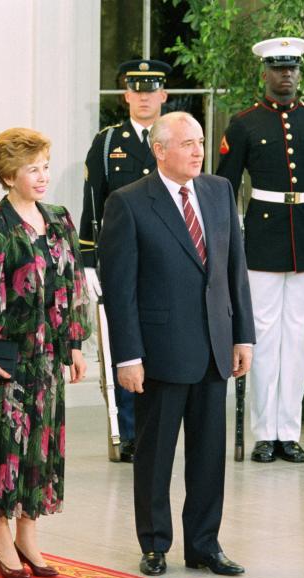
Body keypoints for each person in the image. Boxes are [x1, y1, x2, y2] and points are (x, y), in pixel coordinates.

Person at [99, 111, 255, 577]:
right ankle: (154, 544)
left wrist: (242, 334)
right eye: (187, 143)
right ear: (160, 150)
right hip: (160, 354)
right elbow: (119, 288)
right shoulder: (127, 203)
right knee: (154, 456)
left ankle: (204, 544)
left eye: (200, 142)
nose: (198, 151)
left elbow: (235, 270)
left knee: (209, 456)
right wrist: (127, 356)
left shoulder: (219, 191)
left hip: (214, 346)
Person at [0, 128, 91, 578]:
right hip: (5, 354)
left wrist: (75, 344)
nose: (43, 176)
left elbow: (73, 282)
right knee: (2, 446)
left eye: (45, 165)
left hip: (48, 356)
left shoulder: (59, 217)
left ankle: (28, 535)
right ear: (8, 174)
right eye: (32, 169)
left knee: (41, 446)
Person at [216, 37, 304, 464]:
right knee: (264, 337)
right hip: (263, 240)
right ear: (264, 73)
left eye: (292, 68)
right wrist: (228, 245)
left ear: (299, 72)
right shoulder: (244, 123)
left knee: (299, 338)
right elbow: (225, 192)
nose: (285, 74)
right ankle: (264, 432)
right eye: (277, 68)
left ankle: (290, 431)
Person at [80, 58, 171, 463]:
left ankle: (158, 429)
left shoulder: (173, 138)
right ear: (127, 96)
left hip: (166, 259)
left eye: (152, 90)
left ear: (163, 96)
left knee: (163, 345)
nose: (144, 97)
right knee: (124, 346)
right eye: (137, 90)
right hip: (121, 258)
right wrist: (86, 259)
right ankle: (130, 433)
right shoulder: (107, 142)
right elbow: (92, 202)